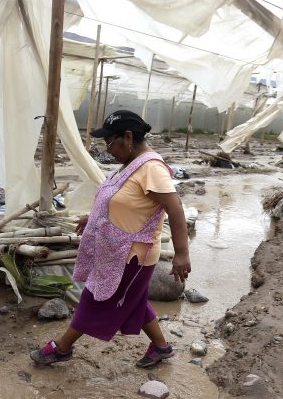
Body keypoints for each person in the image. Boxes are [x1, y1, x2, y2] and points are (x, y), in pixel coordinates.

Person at [30, 109, 191, 368]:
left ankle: (62, 348)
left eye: (110, 143)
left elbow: (175, 209)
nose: (109, 150)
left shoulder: (152, 169)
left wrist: (182, 254)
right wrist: (91, 217)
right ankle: (162, 347)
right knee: (135, 300)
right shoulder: (128, 166)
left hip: (134, 255)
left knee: (95, 300)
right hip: (117, 251)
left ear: (127, 137)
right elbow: (119, 201)